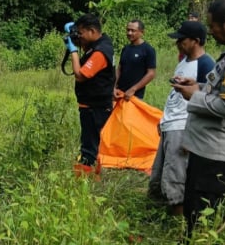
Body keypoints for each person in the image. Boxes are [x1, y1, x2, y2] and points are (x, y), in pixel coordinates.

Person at [173, 0, 225, 236]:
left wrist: (194, 97)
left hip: (216, 152)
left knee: (203, 217)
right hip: (207, 147)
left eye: (213, 26)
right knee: (195, 211)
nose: (210, 31)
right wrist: (198, 86)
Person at [147, 21, 215, 216]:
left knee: (175, 177)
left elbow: (206, 102)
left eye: (181, 39)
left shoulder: (206, 64)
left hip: (183, 127)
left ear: (195, 41)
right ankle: (161, 215)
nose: (177, 43)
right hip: (171, 124)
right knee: (159, 174)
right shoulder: (184, 62)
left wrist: (193, 135)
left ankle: (179, 224)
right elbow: (176, 97)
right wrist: (163, 120)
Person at [64, 14, 115, 169]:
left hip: (95, 107)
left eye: (81, 33)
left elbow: (80, 75)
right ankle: (91, 172)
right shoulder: (98, 44)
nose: (79, 37)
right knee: (90, 141)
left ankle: (87, 178)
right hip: (91, 105)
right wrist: (75, 34)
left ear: (92, 31)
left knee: (91, 146)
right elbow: (86, 49)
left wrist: (72, 51)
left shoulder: (101, 51)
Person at [114, 19, 157, 101]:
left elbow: (151, 74)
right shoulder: (125, 49)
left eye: (133, 31)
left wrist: (133, 89)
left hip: (134, 96)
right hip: (119, 93)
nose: (129, 33)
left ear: (142, 32)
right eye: (128, 30)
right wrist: (113, 86)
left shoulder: (148, 50)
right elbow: (119, 69)